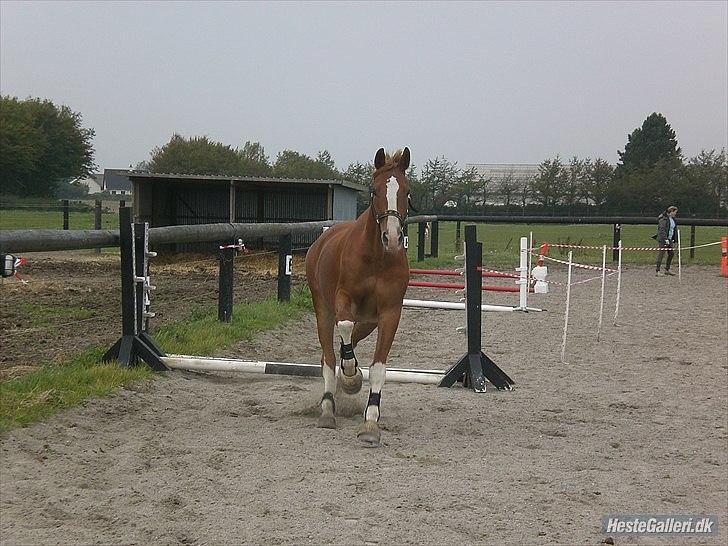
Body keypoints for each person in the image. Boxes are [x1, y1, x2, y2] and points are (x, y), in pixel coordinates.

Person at [655, 206, 678, 276]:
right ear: (671, 212)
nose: (675, 213)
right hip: (663, 239)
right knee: (661, 254)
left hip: (670, 239)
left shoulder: (673, 219)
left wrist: (675, 239)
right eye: (675, 212)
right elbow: (662, 230)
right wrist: (665, 239)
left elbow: (673, 230)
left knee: (671, 254)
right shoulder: (663, 219)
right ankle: (657, 271)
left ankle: (667, 269)